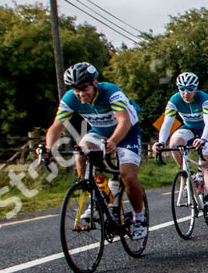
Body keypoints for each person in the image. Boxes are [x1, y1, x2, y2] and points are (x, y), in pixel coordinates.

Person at [41, 62, 148, 240]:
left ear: (95, 82)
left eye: (84, 88)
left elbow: (124, 121)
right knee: (80, 153)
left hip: (127, 132)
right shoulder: (70, 98)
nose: (80, 94)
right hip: (99, 132)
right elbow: (57, 126)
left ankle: (139, 218)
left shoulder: (111, 92)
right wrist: (48, 148)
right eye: (76, 89)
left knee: (127, 176)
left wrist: (113, 142)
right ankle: (96, 194)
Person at [155, 71, 208, 223]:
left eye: (190, 89)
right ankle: (188, 174)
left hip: (206, 130)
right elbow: (167, 123)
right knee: (174, 143)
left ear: (196, 88)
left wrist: (203, 139)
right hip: (189, 128)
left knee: (205, 163)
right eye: (182, 89)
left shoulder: (203, 98)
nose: (186, 93)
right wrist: (161, 142)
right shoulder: (175, 99)